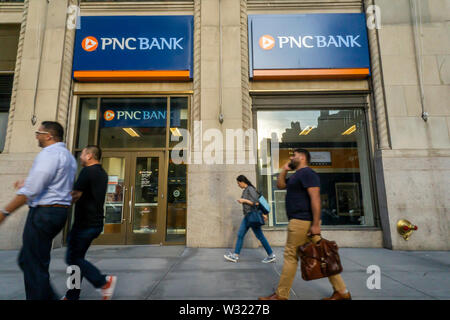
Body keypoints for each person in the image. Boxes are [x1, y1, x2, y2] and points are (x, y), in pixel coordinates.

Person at [258, 148, 351, 300]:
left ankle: (281, 295)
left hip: (302, 221)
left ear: (302, 157)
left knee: (290, 257)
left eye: (293, 155)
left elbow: (315, 198)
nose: (291, 158)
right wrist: (284, 170)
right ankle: (342, 292)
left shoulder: (308, 173)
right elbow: (281, 185)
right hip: (302, 222)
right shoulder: (297, 176)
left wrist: (316, 224)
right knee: (324, 256)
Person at [0, 121, 77, 300]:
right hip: (58, 212)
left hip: (44, 213)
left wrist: (5, 212)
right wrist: (28, 184)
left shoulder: (49, 154)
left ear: (49, 136)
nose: (36, 136)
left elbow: (32, 190)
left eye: (38, 132)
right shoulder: (68, 156)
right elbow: (55, 185)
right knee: (30, 261)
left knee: (33, 263)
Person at [62, 145, 116, 300]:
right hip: (96, 222)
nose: (80, 156)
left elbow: (75, 195)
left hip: (84, 224)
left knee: (72, 258)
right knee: (76, 259)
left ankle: (103, 282)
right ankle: (72, 295)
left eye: (83, 154)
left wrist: (58, 204)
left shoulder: (87, 172)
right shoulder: (102, 173)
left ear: (90, 156)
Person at [224, 175, 276, 264]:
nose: (238, 185)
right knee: (240, 234)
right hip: (248, 216)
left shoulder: (250, 189)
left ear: (242, 182)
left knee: (260, 236)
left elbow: (255, 203)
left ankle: (271, 255)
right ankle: (235, 256)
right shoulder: (247, 190)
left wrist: (243, 200)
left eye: (238, 183)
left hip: (252, 216)